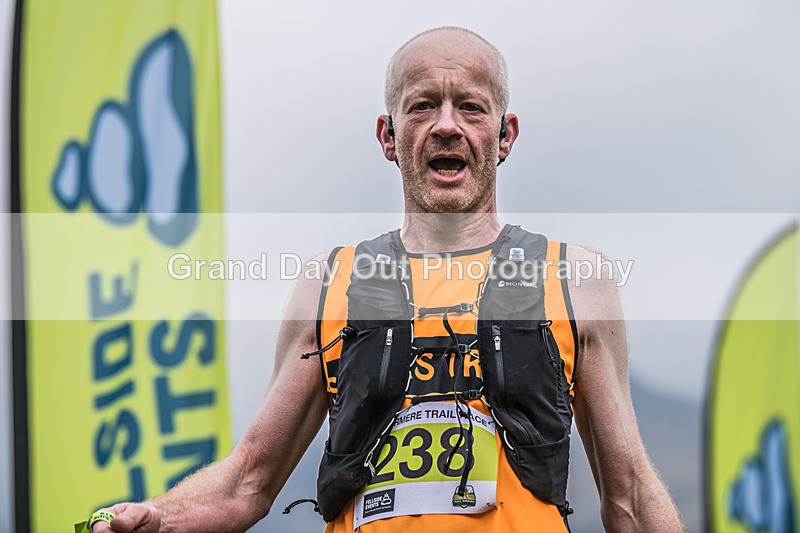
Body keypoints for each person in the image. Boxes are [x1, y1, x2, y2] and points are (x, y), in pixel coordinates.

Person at [90, 26, 684, 533]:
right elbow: (249, 480)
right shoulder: (329, 283)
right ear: (388, 136)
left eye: (471, 107)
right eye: (422, 106)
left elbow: (629, 498)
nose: (446, 125)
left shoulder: (576, 279)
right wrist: (154, 516)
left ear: (505, 135)